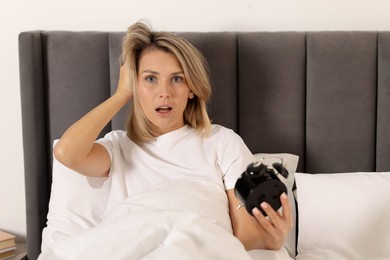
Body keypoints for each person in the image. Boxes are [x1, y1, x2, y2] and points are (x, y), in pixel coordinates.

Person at [54, 21, 292, 252]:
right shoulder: (118, 146)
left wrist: (269, 239)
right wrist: (122, 94)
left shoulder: (222, 142)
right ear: (135, 85)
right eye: (150, 79)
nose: (164, 93)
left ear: (191, 89)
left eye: (177, 79)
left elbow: (245, 235)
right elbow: (67, 153)